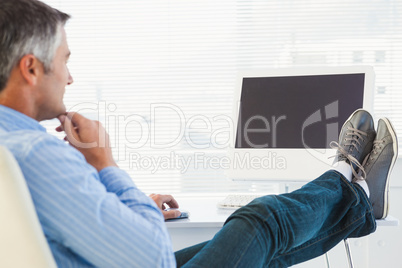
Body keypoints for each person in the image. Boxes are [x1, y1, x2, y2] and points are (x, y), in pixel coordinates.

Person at [0, 0, 398, 267]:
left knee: (255, 251)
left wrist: (129, 202)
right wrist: (106, 162)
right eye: (65, 62)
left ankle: (359, 195)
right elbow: (154, 256)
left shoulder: (12, 145)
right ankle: (347, 176)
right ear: (32, 69)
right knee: (259, 220)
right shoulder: (35, 153)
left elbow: (58, 218)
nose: (70, 77)